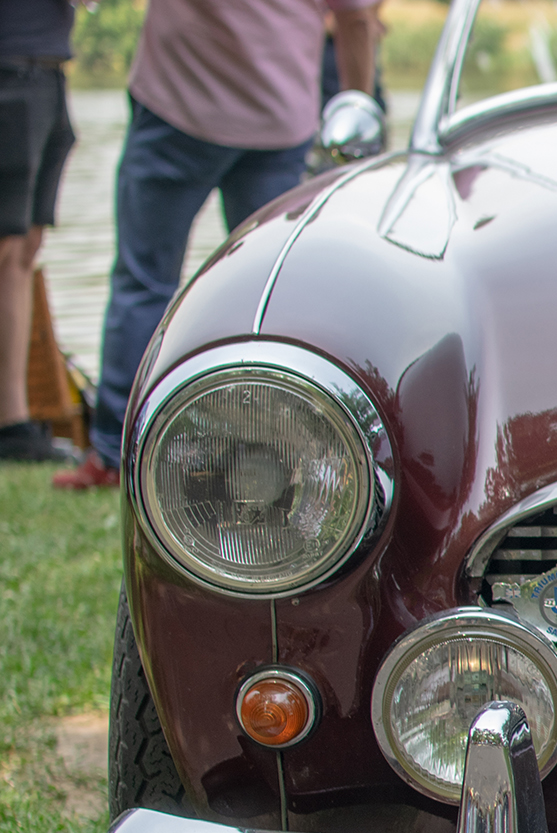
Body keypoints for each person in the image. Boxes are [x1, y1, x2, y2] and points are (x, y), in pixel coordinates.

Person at [53, 0, 383, 489]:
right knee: (277, 299)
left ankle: (113, 454)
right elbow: (356, 18)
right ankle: (289, 453)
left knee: (144, 281)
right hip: (278, 117)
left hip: (176, 109)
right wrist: (358, 111)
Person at [0, 0, 76, 463]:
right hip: (9, 71)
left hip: (47, 66)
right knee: (7, 248)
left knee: (24, 247)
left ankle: (13, 424)